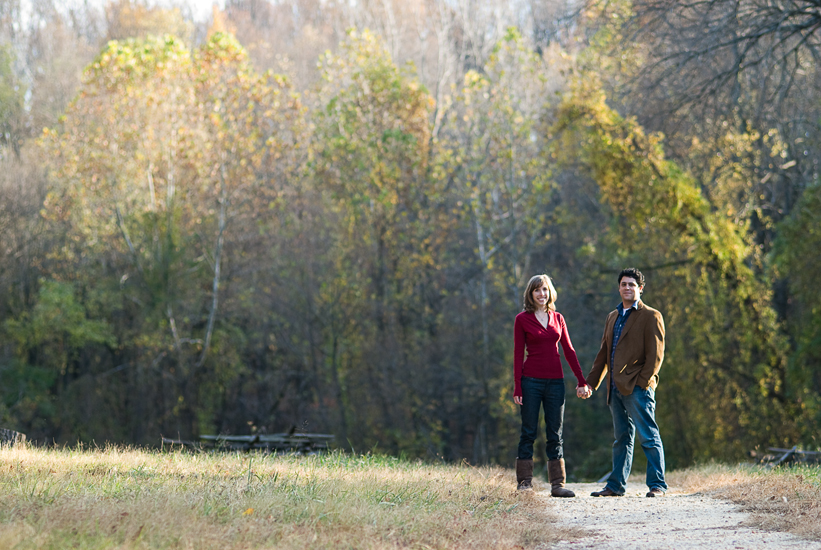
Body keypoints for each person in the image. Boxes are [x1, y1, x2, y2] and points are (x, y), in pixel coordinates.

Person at [583, 267, 668, 497]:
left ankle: (657, 485)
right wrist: (590, 383)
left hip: (638, 388)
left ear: (640, 288)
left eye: (632, 285)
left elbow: (655, 356)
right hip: (614, 388)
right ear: (619, 287)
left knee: (648, 436)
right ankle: (615, 486)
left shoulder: (651, 316)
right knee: (621, 439)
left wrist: (642, 382)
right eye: (624, 284)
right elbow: (604, 354)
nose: (627, 288)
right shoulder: (612, 317)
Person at [513, 274, 591, 496]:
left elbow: (569, 350)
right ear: (531, 293)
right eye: (537, 290)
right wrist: (517, 386)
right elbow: (518, 354)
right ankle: (524, 483)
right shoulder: (522, 319)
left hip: (556, 383)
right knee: (528, 431)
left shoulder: (558, 318)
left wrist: (581, 380)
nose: (541, 294)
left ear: (550, 292)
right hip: (530, 382)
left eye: (545, 289)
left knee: (555, 433)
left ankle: (557, 484)